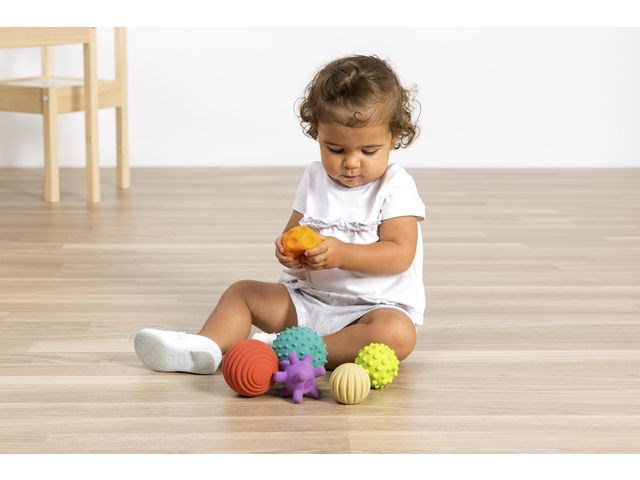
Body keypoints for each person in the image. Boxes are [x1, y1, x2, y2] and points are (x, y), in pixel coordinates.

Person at [134, 54, 425, 374]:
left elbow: (399, 254)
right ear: (317, 133)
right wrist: (289, 252)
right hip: (307, 300)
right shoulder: (315, 178)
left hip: (369, 311)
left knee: (398, 334)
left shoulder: (395, 185)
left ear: (394, 137)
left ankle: (287, 349)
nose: (351, 162)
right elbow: (294, 232)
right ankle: (206, 347)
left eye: (368, 151)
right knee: (242, 293)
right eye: (335, 149)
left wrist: (341, 254)